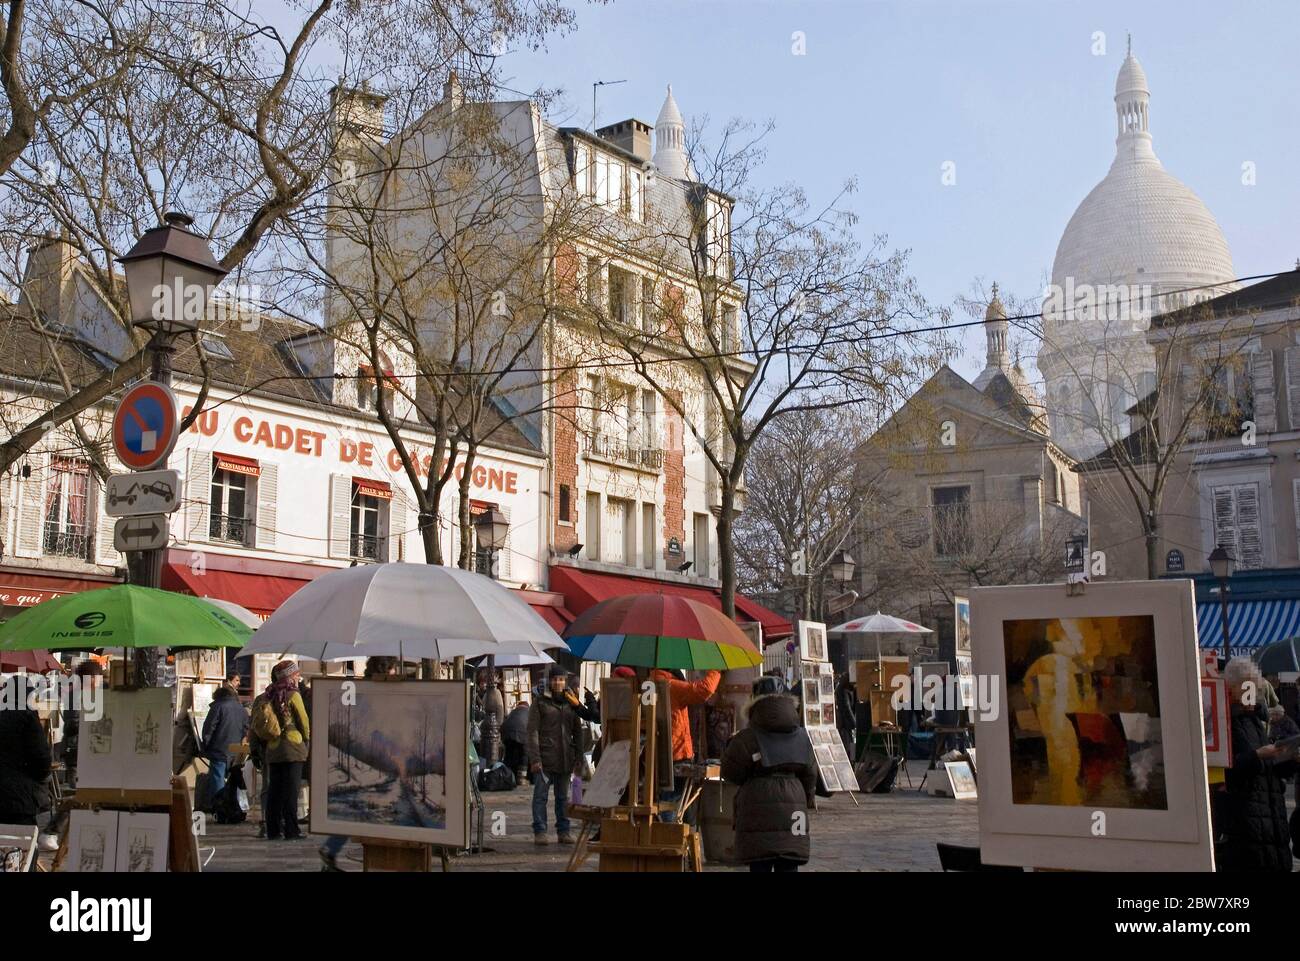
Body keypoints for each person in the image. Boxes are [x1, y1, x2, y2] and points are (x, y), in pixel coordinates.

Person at [720, 675, 816, 872]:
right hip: (793, 804)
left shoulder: (746, 738)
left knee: (760, 863)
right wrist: (806, 799)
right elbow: (810, 773)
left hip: (756, 802)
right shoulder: (802, 736)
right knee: (789, 862)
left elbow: (730, 773)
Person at [1219, 657, 1296, 871]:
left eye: (1254, 687)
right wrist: (1257, 756)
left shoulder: (1255, 720)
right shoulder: (1223, 722)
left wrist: (1289, 759)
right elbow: (1226, 771)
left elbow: (1270, 770)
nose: (1253, 694)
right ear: (1232, 690)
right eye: (1247, 688)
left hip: (1272, 825)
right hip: (1248, 828)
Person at [320, 657, 396, 870]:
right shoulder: (373, 695)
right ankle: (335, 849)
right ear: (385, 670)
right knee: (364, 805)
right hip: (369, 752)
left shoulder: (359, 690)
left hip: (368, 752)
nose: (394, 674)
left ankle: (331, 849)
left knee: (359, 805)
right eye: (392, 670)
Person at [251, 660, 310, 841]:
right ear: (290, 676)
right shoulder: (293, 695)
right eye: (296, 674)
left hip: (273, 749)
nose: (298, 677)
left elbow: (253, 727)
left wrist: (256, 750)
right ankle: (292, 830)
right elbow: (304, 723)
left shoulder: (263, 697)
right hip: (293, 748)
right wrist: (306, 741)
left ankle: (273, 830)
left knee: (274, 791)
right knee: (291, 792)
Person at [527, 665, 581, 845]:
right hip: (545, 756)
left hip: (565, 756)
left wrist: (579, 756)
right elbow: (532, 731)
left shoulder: (571, 701)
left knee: (563, 797)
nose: (558, 682)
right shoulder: (540, 701)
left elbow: (578, 731)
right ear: (550, 681)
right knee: (540, 796)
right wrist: (535, 758)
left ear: (565, 681)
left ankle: (563, 831)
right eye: (555, 679)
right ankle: (540, 831)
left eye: (561, 679)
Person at [0, 701, 52, 831]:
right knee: (22, 845)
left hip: (11, 793)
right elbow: (42, 758)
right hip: (19, 796)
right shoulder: (27, 714)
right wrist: (41, 778)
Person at [201, 671, 249, 803]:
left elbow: (209, 728)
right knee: (234, 778)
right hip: (236, 750)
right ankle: (232, 804)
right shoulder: (241, 708)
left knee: (217, 778)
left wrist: (205, 744)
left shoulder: (218, 706)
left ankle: (219, 805)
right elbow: (246, 728)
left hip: (219, 748)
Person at [501, 699, 531, 783]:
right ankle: (522, 778)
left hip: (507, 732)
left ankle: (508, 776)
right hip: (522, 732)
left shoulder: (513, 711)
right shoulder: (529, 712)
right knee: (524, 754)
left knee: (509, 754)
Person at [834, 672, 858, 761]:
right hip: (845, 722)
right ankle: (850, 760)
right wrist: (854, 723)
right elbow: (847, 708)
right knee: (849, 742)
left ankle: (852, 760)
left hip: (848, 721)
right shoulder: (844, 690)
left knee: (851, 742)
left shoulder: (848, 689)